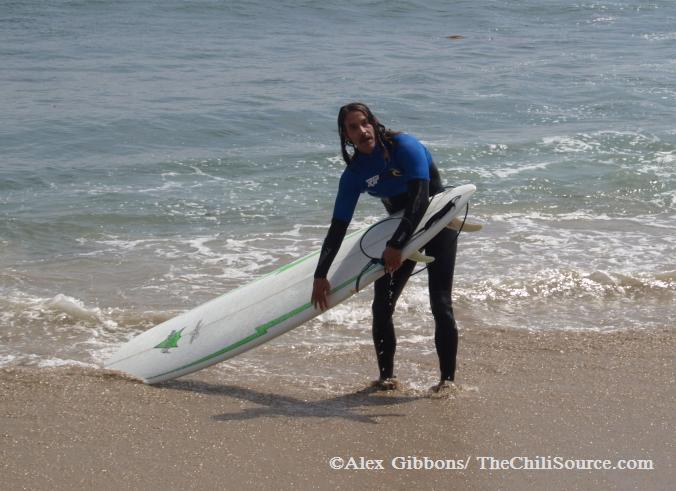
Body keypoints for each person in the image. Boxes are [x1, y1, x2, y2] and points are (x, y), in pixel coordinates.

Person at [311, 102, 460, 393]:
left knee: (440, 303)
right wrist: (320, 275)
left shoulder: (405, 146)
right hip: (398, 229)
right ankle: (386, 379)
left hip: (436, 222)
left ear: (373, 122)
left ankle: (447, 382)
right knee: (381, 306)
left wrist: (396, 245)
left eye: (365, 122)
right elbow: (338, 226)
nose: (362, 130)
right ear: (345, 135)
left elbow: (419, 199)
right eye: (353, 127)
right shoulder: (354, 174)